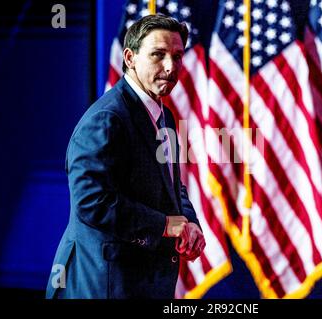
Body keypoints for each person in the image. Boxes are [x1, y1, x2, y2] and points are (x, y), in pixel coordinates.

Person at [46, 14, 206, 299]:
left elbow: (171, 185)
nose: (171, 67)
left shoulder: (163, 115)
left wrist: (189, 221)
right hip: (103, 284)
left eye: (178, 56)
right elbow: (91, 202)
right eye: (158, 55)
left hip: (143, 282)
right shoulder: (107, 119)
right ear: (130, 57)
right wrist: (165, 225)